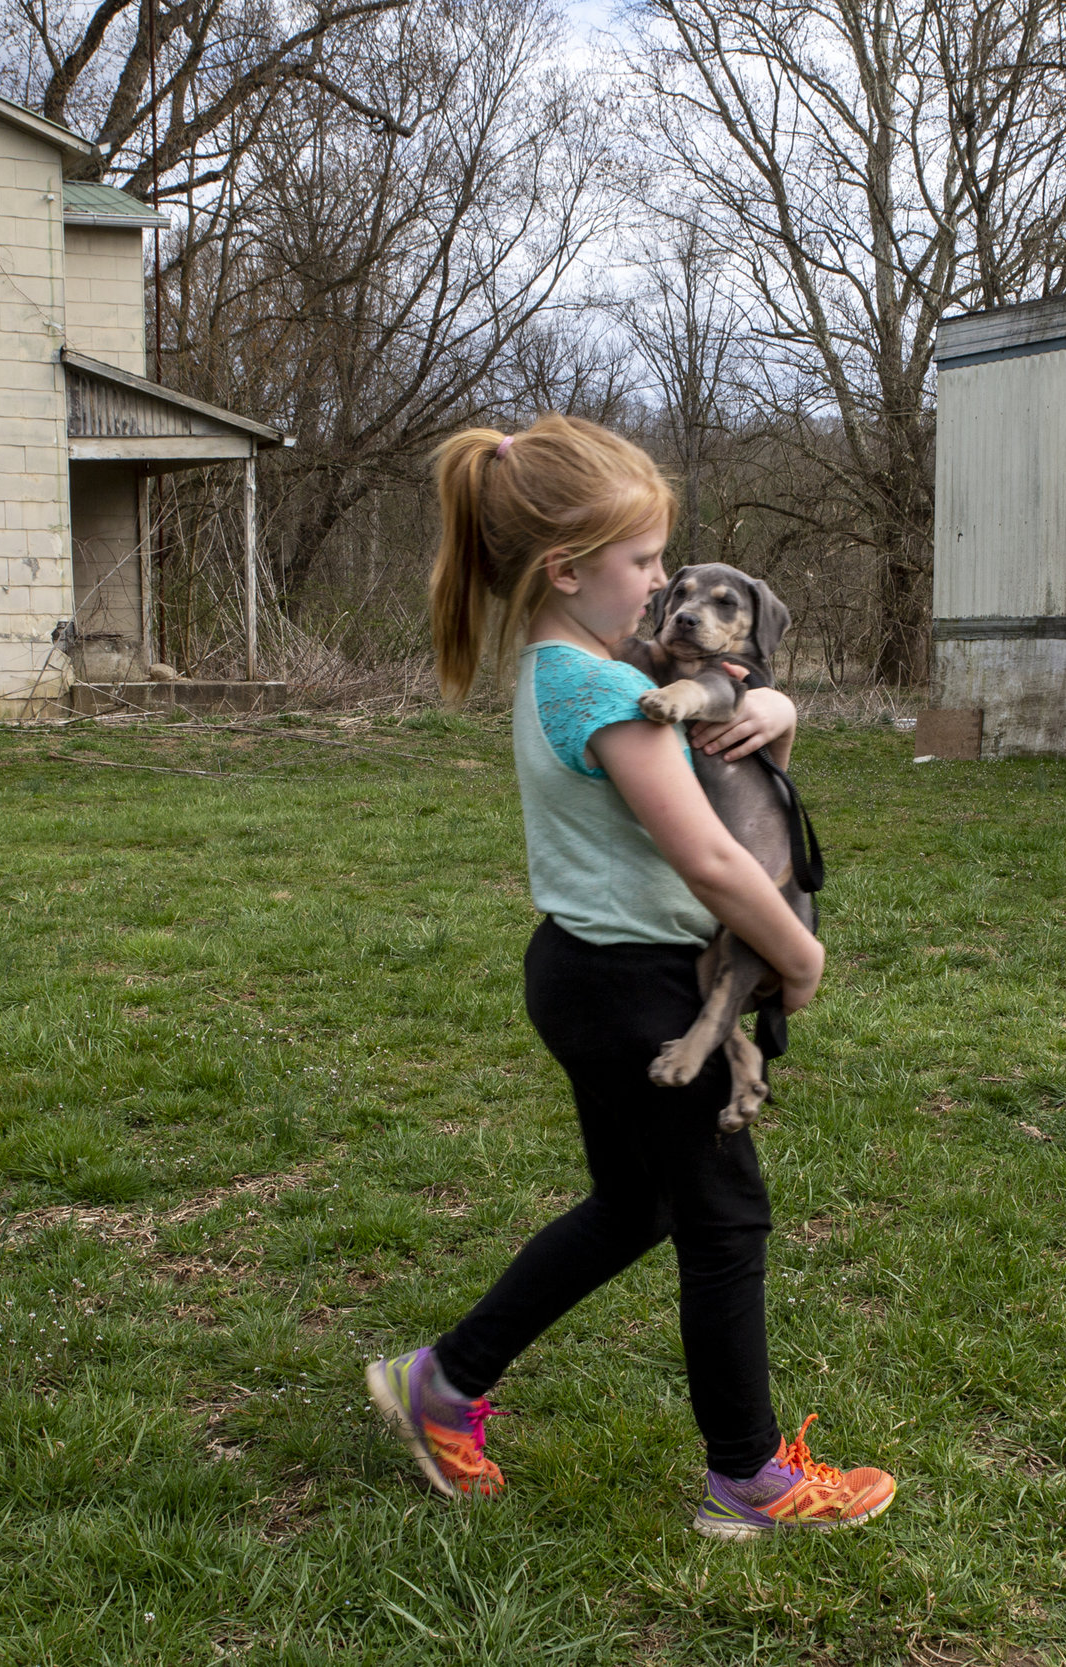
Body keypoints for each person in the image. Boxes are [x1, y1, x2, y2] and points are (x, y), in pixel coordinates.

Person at [363, 414, 896, 1539]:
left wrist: (779, 708)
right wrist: (798, 954)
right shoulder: (600, 693)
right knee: (723, 1216)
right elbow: (707, 850)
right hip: (633, 982)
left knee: (635, 1203)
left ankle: (442, 1381)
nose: (663, 585)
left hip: (592, 972)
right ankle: (748, 1478)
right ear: (568, 568)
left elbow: (742, 775)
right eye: (648, 562)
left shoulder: (579, 670)